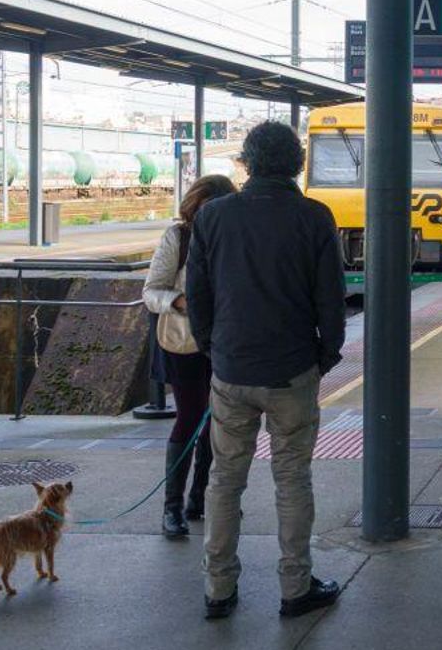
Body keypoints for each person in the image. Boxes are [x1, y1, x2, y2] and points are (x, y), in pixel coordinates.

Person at [185, 121, 346, 620]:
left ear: (247, 161)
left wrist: (216, 348)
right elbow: (331, 300)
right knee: (292, 479)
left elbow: (198, 295)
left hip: (231, 371)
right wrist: (325, 354)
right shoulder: (315, 217)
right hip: (293, 371)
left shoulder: (212, 216)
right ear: (297, 162)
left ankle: (218, 589)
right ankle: (295, 587)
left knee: (224, 481)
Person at [142, 173, 236, 539]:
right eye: (204, 211)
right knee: (191, 416)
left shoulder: (233, 238)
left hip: (225, 341)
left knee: (219, 421)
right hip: (183, 341)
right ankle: (172, 507)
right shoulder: (177, 238)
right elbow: (152, 291)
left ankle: (200, 498)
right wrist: (181, 302)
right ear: (194, 209)